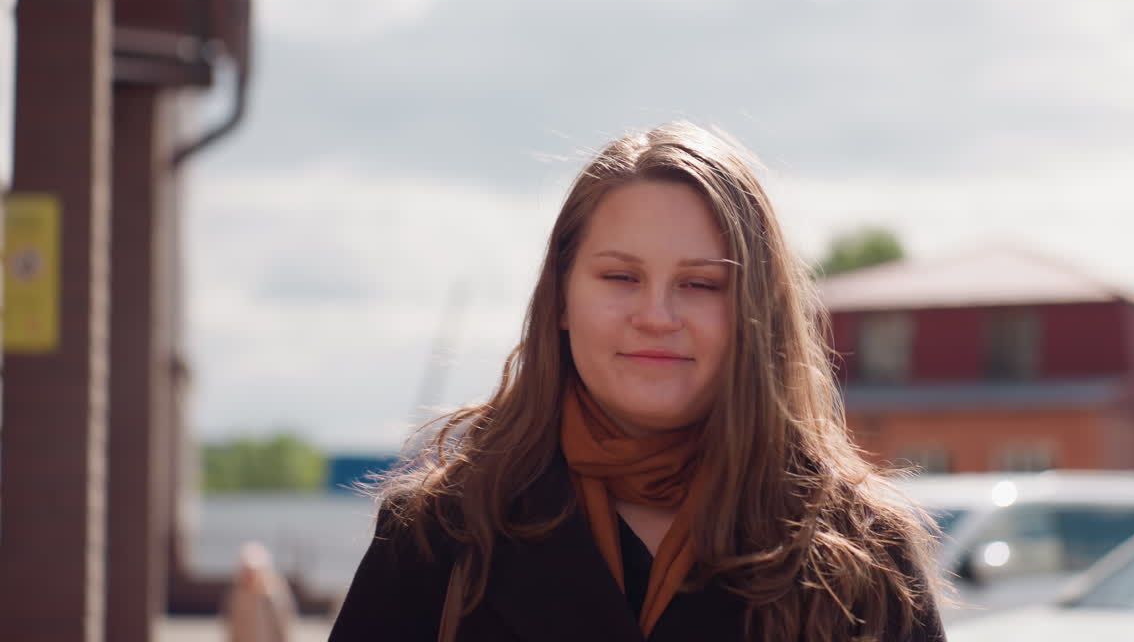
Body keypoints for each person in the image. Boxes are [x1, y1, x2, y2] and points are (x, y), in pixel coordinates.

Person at [329, 122, 947, 641]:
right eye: (620, 278)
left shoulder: (860, 556)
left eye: (700, 284)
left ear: (756, 315)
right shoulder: (443, 535)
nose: (656, 316)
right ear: (561, 301)